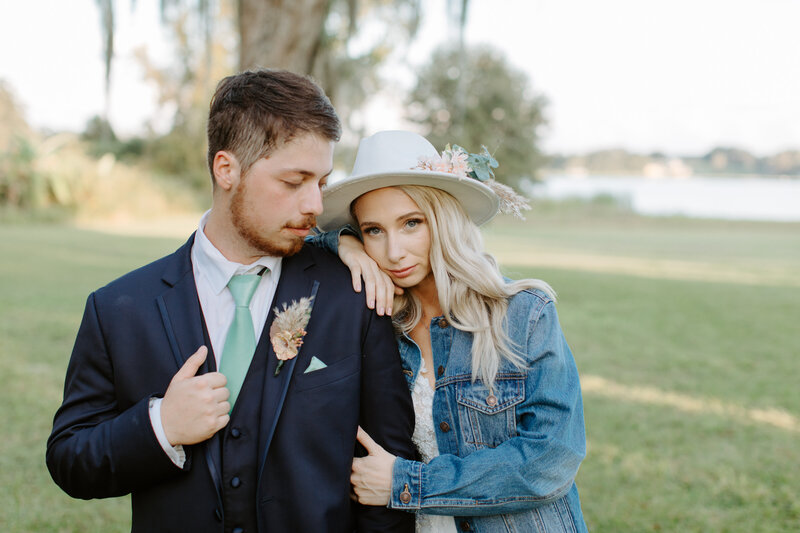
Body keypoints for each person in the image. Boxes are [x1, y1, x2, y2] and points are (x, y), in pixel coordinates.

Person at [46, 71, 415, 533]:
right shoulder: (119, 309)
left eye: (321, 181)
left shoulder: (355, 296)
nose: (315, 204)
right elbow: (69, 460)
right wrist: (162, 426)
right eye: (294, 181)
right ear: (226, 169)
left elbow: (389, 470)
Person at [311, 130, 588, 532]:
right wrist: (343, 244)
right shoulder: (378, 323)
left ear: (442, 219)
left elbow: (551, 458)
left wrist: (407, 484)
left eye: (411, 223)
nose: (393, 252)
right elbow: (282, 241)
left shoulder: (525, 314)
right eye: (374, 230)